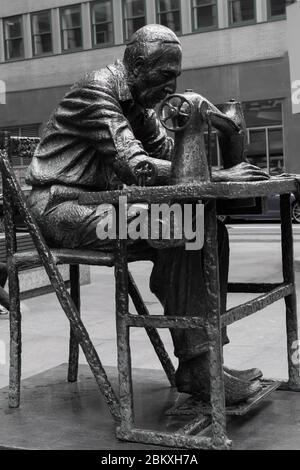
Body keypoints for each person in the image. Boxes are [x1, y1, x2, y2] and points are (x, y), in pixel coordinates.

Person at [26, 24, 268, 405]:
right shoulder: (97, 90)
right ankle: (198, 365)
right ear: (137, 65)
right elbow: (136, 167)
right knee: (174, 226)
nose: (171, 86)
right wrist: (221, 174)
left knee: (207, 230)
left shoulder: (138, 101)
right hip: (62, 209)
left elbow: (168, 154)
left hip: (103, 203)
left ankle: (202, 358)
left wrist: (208, 133)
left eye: (176, 77)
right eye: (165, 75)